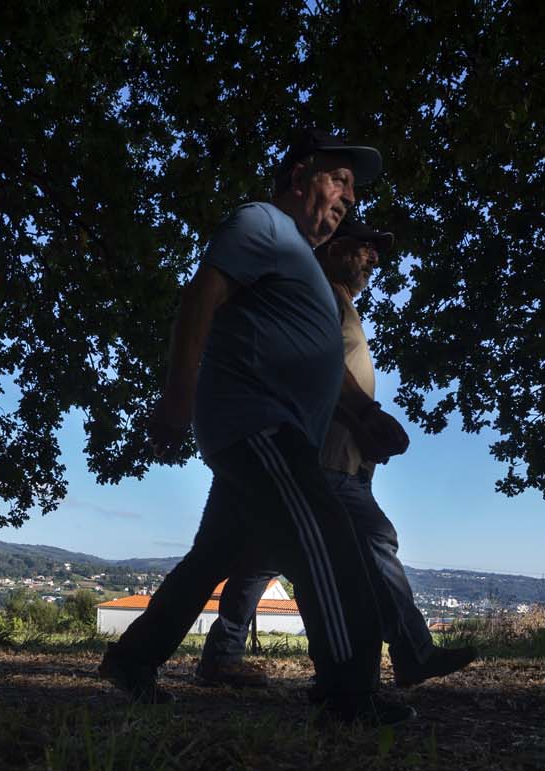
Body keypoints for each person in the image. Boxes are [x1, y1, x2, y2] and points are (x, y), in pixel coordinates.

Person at [98, 129, 411, 725]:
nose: (348, 197)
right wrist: (177, 397)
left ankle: (133, 658)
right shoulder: (263, 223)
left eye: (353, 189)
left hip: (277, 428)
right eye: (337, 180)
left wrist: (363, 416)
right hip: (258, 425)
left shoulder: (306, 267)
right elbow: (202, 295)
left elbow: (317, 360)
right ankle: (349, 691)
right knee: (326, 533)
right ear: (299, 178)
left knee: (214, 556)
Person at [197, 216, 480, 691]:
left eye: (377, 252)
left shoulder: (337, 301)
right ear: (331, 249)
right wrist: (365, 418)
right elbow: (321, 369)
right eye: (364, 247)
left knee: (258, 554)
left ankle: (219, 655)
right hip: (322, 455)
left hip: (330, 454)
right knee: (374, 540)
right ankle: (407, 653)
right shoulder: (320, 295)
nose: (374, 258)